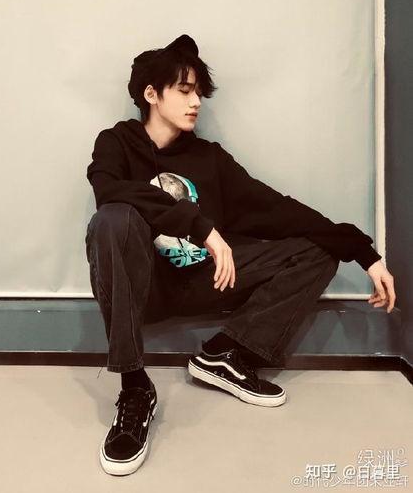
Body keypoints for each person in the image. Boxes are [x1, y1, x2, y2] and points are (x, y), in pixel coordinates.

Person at [85, 34, 396, 476]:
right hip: (144, 288)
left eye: (198, 92)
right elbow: (109, 191)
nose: (196, 102)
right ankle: (134, 386)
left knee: (316, 250)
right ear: (151, 94)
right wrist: (201, 227)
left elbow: (277, 209)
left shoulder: (209, 159)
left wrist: (363, 251)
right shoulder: (116, 143)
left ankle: (226, 353)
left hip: (206, 281)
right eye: (184, 90)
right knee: (113, 219)